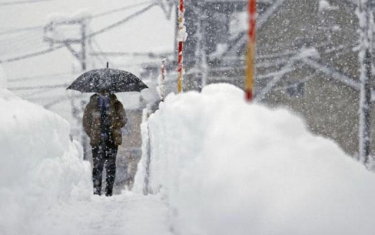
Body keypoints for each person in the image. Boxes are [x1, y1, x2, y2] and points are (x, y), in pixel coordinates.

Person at [83, 90, 127, 196]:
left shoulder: (116, 103)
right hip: (97, 141)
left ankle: (108, 191)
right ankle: (97, 191)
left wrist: (115, 124)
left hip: (112, 139)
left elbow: (124, 119)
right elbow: (86, 121)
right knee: (98, 167)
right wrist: (93, 133)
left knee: (111, 167)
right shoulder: (92, 104)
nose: (103, 90)